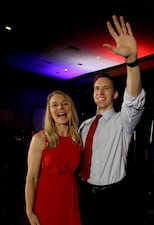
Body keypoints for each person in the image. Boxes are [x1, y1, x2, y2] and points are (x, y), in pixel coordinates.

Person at [78, 15, 146, 225]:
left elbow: (133, 98)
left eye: (106, 88)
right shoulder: (84, 125)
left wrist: (132, 60)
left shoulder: (123, 121)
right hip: (83, 194)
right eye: (97, 89)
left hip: (113, 197)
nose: (100, 92)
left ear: (115, 94)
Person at [25, 90, 82, 225]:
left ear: (71, 108)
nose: (60, 108)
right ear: (50, 112)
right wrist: (29, 212)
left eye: (64, 104)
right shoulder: (40, 138)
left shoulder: (78, 139)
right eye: (54, 105)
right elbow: (31, 178)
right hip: (47, 200)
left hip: (71, 200)